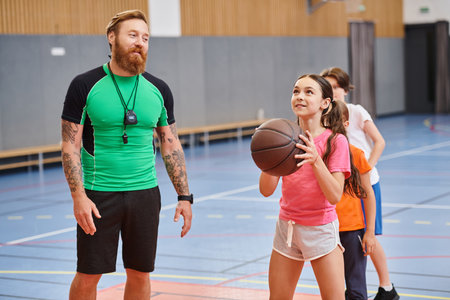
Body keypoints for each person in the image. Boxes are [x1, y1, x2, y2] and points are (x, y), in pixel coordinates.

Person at [61, 10, 193, 300]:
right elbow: (70, 145)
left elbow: (170, 144)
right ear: (112, 37)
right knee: (88, 275)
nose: (140, 43)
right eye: (132, 35)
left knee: (140, 273)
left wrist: (184, 196)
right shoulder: (85, 85)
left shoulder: (158, 89)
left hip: (145, 194)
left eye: (145, 38)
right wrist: (79, 197)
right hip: (99, 195)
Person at [259, 74, 365, 300]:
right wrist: (269, 156)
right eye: (296, 91)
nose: (300, 96)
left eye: (309, 92)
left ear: (325, 103)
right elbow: (266, 190)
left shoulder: (335, 141)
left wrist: (316, 160)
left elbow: (335, 195)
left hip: (321, 229)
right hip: (287, 227)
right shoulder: (283, 138)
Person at [321, 67, 399, 300]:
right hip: (340, 182)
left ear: (345, 89)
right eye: (328, 87)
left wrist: (364, 168)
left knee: (368, 237)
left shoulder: (354, 111)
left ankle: (386, 287)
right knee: (355, 243)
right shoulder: (324, 114)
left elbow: (379, 142)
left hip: (363, 183)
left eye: (336, 86)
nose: (332, 91)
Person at [335, 100, 377, 299]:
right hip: (326, 229)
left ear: (346, 124)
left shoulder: (356, 154)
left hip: (352, 231)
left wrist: (370, 232)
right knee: (333, 288)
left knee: (356, 287)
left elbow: (368, 194)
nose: (330, 127)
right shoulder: (317, 155)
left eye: (335, 122)